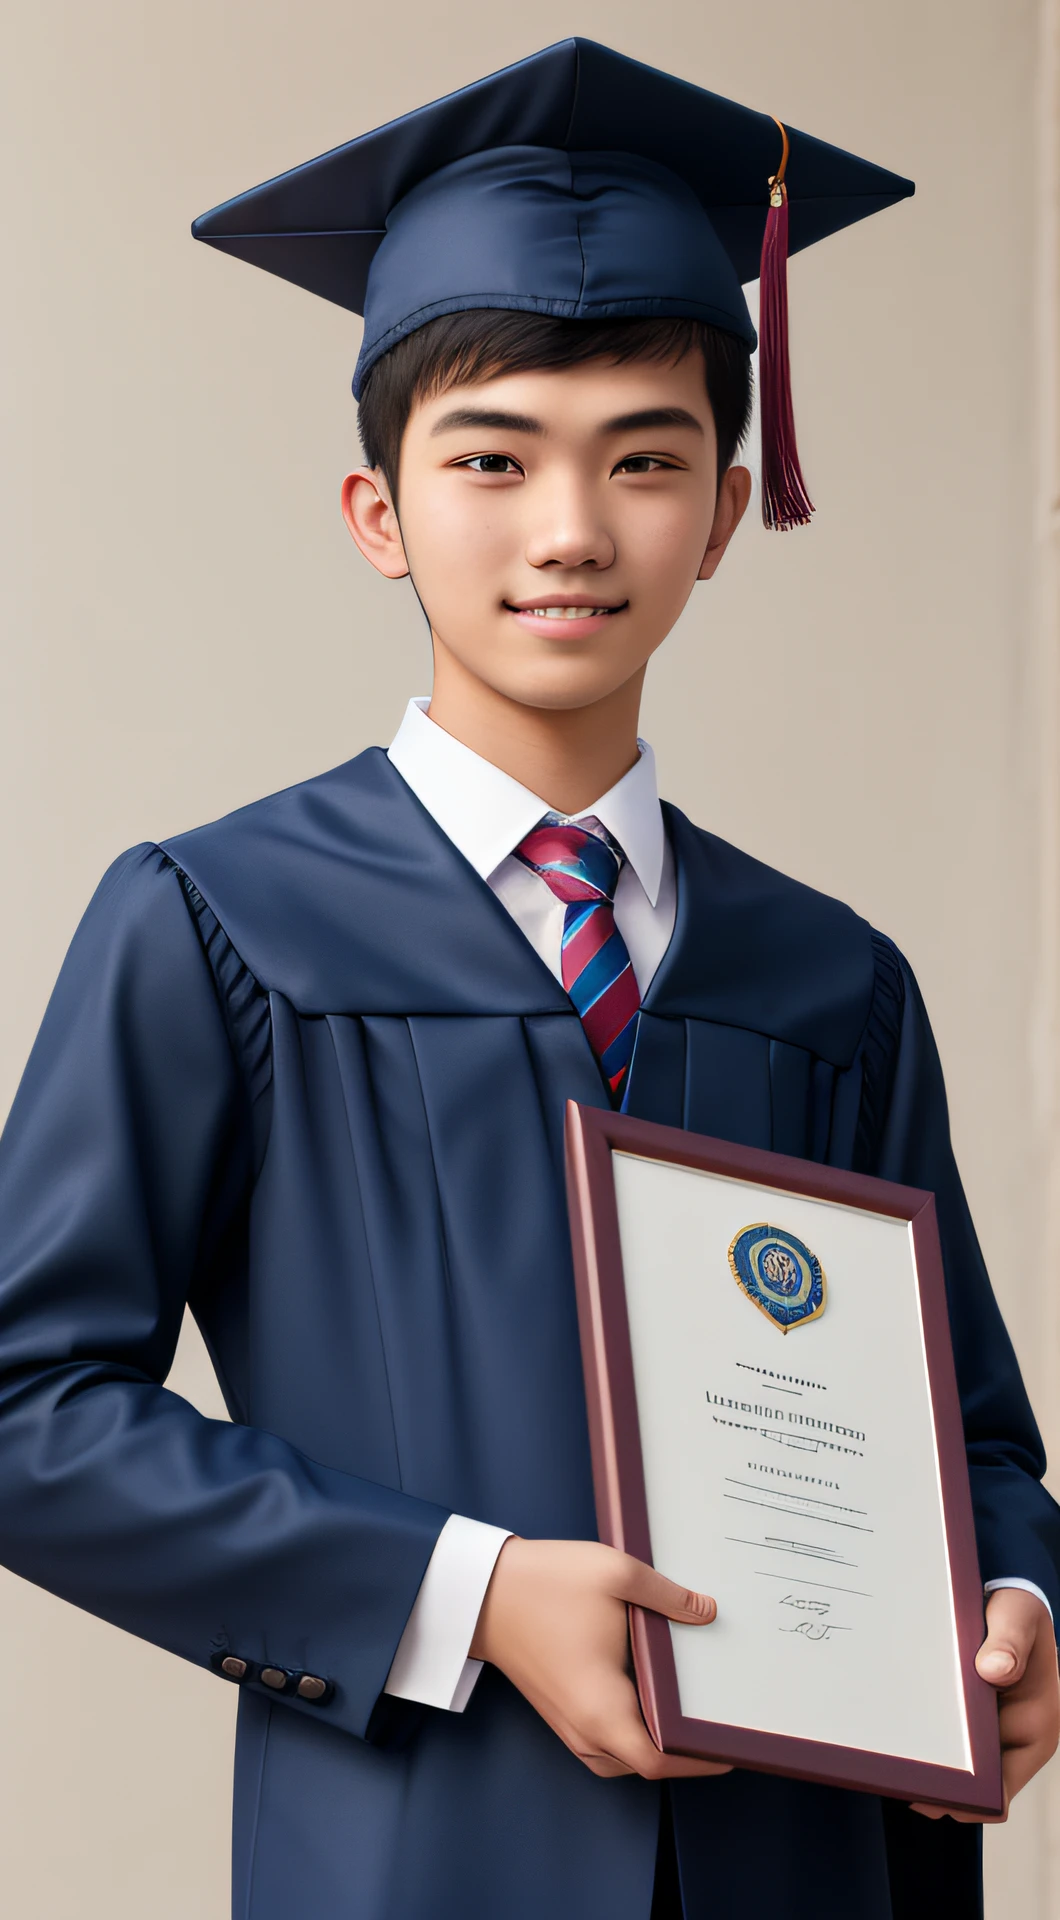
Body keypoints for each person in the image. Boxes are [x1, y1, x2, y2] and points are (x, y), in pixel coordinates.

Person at [0, 37, 1056, 1920]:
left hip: (815, 1866)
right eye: (492, 460)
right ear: (379, 516)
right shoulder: (216, 922)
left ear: (724, 515)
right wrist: (465, 1591)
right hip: (419, 1861)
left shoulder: (835, 980)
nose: (571, 528)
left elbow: (970, 1433)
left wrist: (1023, 1604)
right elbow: (23, 1405)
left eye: (645, 462)